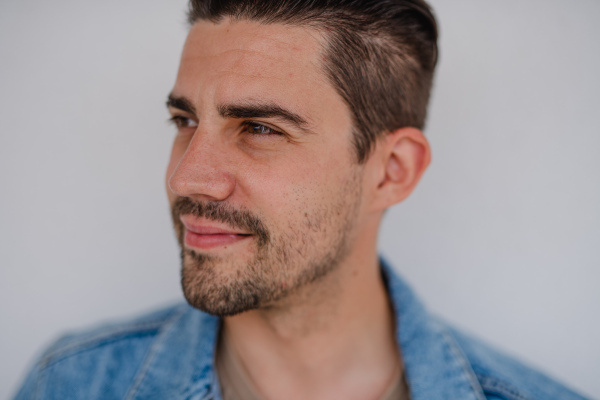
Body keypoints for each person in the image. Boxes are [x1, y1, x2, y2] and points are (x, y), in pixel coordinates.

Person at [14, 1, 588, 399]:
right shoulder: (71, 383)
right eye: (185, 120)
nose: (189, 177)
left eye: (260, 128)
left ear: (391, 171)